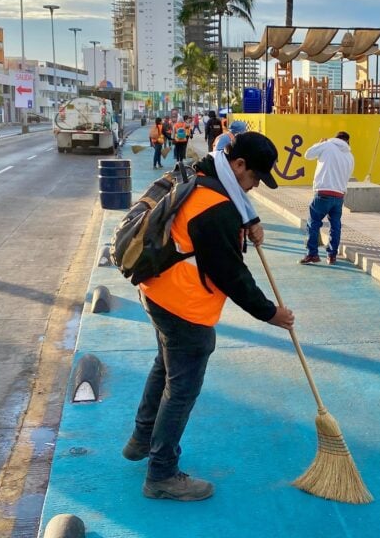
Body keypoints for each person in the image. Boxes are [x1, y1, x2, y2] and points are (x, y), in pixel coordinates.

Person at [122, 132, 295, 502]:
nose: (254, 188)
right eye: (254, 179)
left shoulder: (201, 176)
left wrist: (249, 221)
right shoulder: (215, 208)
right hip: (184, 305)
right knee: (181, 389)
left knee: (164, 368)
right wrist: (271, 313)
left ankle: (142, 437)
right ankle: (162, 474)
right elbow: (231, 274)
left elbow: (230, 203)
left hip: (157, 291)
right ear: (239, 165)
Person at [299, 131, 355, 265]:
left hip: (323, 192)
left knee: (313, 223)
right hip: (339, 195)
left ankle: (312, 254)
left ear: (336, 138)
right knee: (335, 226)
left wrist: (319, 143)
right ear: (347, 142)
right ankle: (332, 255)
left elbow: (308, 154)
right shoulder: (350, 156)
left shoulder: (327, 145)